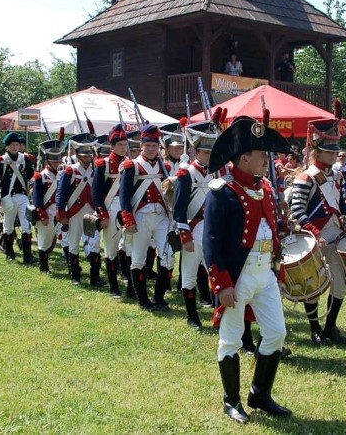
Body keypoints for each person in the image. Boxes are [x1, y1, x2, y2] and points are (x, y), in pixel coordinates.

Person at [203, 114, 292, 423]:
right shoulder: (221, 191)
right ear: (244, 158)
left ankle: (260, 393)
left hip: (264, 273)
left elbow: (269, 226)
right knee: (230, 339)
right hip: (237, 277)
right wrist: (222, 284)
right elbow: (211, 243)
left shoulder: (265, 187)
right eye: (260, 154)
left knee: (276, 334)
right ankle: (231, 401)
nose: (265, 160)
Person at [290, 103, 346, 345]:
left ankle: (330, 325)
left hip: (336, 233)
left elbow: (341, 206)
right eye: (329, 152)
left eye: (335, 152)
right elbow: (297, 211)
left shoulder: (338, 176)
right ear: (317, 151)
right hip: (315, 236)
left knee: (340, 281)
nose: (334, 156)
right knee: (313, 282)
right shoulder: (306, 177)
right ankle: (314, 328)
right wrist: (314, 232)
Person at [120, 124, 175, 311]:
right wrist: (128, 219)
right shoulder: (131, 165)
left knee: (167, 258)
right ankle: (143, 300)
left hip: (161, 216)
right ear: (142, 145)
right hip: (140, 216)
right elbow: (124, 195)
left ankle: (159, 297)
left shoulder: (165, 166)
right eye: (148, 146)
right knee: (138, 259)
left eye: (154, 146)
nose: (151, 149)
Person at [174, 118, 222, 329]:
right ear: (196, 151)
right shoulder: (186, 174)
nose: (209, 155)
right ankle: (192, 316)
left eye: (212, 151)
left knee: (218, 274)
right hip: (193, 231)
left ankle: (218, 316)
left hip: (213, 232)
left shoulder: (219, 173)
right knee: (189, 276)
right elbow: (179, 210)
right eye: (205, 151)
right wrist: (185, 237)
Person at [93, 124, 132, 299]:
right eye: (120, 145)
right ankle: (114, 286)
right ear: (112, 146)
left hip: (126, 209)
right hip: (110, 208)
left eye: (125, 144)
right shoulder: (104, 164)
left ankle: (131, 284)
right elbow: (96, 192)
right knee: (111, 248)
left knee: (129, 246)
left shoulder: (130, 164)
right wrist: (103, 214)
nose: (123, 148)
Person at [57, 134, 101, 286]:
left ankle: (95, 277)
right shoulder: (70, 171)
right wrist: (62, 214)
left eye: (90, 155)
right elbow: (61, 194)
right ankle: (75, 275)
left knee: (95, 243)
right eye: (85, 155)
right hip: (75, 211)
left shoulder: (95, 170)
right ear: (78, 155)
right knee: (74, 243)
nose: (88, 158)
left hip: (91, 211)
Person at [0, 132, 36, 264]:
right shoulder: (1, 161)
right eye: (12, 145)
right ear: (7, 147)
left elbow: (30, 174)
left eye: (17, 145)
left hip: (22, 196)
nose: (15, 147)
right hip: (8, 197)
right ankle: (10, 253)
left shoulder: (24, 158)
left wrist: (27, 162)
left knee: (26, 225)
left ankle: (27, 256)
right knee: (8, 226)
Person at [32, 138, 64, 274]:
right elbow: (37, 199)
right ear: (48, 160)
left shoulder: (63, 175)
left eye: (58, 160)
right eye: (54, 160)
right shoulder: (41, 177)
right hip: (46, 213)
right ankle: (44, 267)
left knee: (66, 239)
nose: (57, 163)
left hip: (60, 212)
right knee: (44, 241)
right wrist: (42, 215)